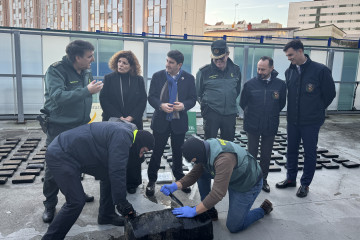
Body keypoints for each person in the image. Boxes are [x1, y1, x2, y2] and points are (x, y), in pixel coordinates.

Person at [42, 121, 155, 240]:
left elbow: (113, 171)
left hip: (73, 152)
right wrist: (122, 203)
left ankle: (106, 215)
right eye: (143, 151)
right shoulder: (123, 137)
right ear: (140, 143)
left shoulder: (129, 131)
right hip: (61, 155)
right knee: (76, 202)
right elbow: (118, 171)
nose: (141, 155)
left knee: (108, 175)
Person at [41, 40, 104, 223]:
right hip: (59, 126)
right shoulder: (56, 70)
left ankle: (77, 192)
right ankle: (50, 204)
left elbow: (86, 94)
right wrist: (87, 91)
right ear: (78, 57)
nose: (92, 59)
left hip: (80, 126)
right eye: (89, 56)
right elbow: (58, 96)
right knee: (53, 167)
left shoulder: (86, 70)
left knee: (78, 161)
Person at [160, 137, 273, 233]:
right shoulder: (204, 147)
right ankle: (210, 210)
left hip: (247, 184)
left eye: (194, 161)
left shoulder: (223, 159)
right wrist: (175, 186)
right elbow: (195, 173)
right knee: (201, 173)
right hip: (231, 175)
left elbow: (218, 193)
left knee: (234, 226)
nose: (194, 163)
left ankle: (262, 210)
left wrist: (194, 211)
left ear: (197, 156)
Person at [276, 39, 336, 197]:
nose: (289, 58)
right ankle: (290, 179)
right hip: (293, 120)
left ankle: (305, 184)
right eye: (287, 56)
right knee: (291, 151)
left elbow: (330, 94)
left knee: (309, 153)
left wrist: (316, 109)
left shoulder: (320, 70)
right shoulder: (289, 71)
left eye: (291, 55)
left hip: (311, 121)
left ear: (300, 51)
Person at [146, 50, 197, 196]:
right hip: (161, 121)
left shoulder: (188, 78)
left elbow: (193, 99)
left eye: (171, 62)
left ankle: (180, 180)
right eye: (167, 61)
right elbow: (152, 97)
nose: (167, 64)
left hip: (179, 122)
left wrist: (184, 106)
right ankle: (151, 181)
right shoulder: (158, 76)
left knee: (178, 153)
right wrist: (160, 105)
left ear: (179, 65)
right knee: (156, 152)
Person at [99, 50, 147, 194]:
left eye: (125, 63)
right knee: (115, 152)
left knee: (133, 151)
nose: (121, 65)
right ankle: (115, 181)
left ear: (132, 66)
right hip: (114, 121)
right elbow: (104, 100)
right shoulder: (109, 78)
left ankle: (132, 182)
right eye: (119, 62)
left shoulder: (138, 80)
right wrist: (119, 117)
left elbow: (142, 100)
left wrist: (132, 117)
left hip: (134, 122)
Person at [240, 56, 286, 193]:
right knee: (252, 154)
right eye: (258, 69)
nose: (260, 72)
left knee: (266, 155)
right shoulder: (250, 84)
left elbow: (281, 103)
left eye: (263, 69)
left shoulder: (280, 85)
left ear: (271, 68)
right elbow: (243, 103)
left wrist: (270, 114)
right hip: (253, 125)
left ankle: (263, 180)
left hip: (270, 125)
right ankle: (251, 179)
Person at [196, 39, 241, 141]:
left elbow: (237, 90)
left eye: (221, 58)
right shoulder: (204, 72)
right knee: (210, 143)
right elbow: (198, 93)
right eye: (215, 59)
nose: (218, 61)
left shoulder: (236, 70)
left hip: (230, 113)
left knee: (228, 144)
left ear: (227, 54)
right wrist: (206, 108)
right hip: (212, 113)